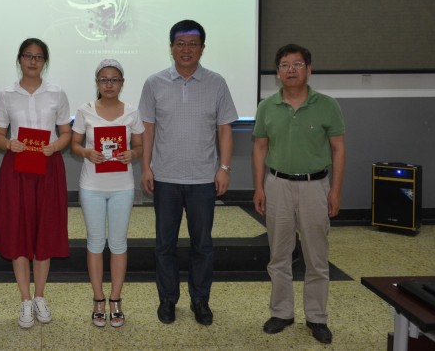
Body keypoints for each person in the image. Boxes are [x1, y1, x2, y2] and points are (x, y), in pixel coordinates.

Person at [138, 19, 237, 326]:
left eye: (193, 44)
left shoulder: (217, 83)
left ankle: (200, 300)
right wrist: (146, 167)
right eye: (180, 43)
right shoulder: (154, 83)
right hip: (165, 178)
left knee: (202, 244)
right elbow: (148, 130)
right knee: (164, 245)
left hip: (203, 179)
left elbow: (224, 130)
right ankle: (167, 299)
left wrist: (224, 168)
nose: (186, 49)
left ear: (202, 48)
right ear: (171, 47)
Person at [252, 44, 346, 345]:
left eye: (297, 64)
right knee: (279, 255)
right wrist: (259, 187)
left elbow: (338, 149)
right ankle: (282, 312)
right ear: (277, 72)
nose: (290, 70)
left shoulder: (327, 105)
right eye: (284, 65)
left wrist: (335, 190)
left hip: (315, 187)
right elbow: (260, 148)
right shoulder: (267, 107)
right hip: (277, 185)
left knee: (316, 257)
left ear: (309, 69)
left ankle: (317, 317)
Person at [0, 38, 71, 329]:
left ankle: (40, 296)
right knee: (18, 231)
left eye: (38, 57)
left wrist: (56, 146)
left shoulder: (57, 93)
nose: (33, 61)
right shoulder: (6, 94)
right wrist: (8, 144)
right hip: (17, 169)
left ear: (44, 62)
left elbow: (65, 132)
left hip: (48, 167)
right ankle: (25, 298)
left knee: (44, 230)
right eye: (28, 56)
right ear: (19, 59)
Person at [71, 59, 144, 328]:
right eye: (104, 80)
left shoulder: (132, 112)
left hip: (122, 187)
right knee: (94, 242)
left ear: (122, 83)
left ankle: (115, 300)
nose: (109, 84)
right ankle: (98, 300)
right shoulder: (85, 110)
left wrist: (132, 154)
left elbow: (140, 146)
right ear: (97, 83)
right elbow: (74, 144)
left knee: (118, 243)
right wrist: (86, 152)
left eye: (114, 80)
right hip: (92, 186)